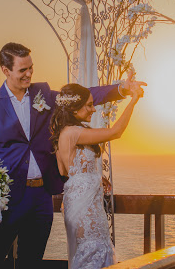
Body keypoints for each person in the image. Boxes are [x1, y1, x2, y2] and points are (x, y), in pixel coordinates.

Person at [0, 42, 137, 268]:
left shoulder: (43, 95)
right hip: (6, 201)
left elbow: (82, 97)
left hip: (41, 198)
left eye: (31, 68)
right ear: (5, 70)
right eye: (22, 70)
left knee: (31, 261)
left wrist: (121, 89)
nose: (29, 74)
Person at [50, 82, 144, 268]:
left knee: (88, 250)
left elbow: (64, 171)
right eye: (89, 105)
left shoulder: (62, 133)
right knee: (94, 249)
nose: (93, 109)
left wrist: (91, 175)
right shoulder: (73, 132)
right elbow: (115, 132)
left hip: (78, 201)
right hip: (85, 206)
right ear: (74, 109)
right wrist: (133, 100)